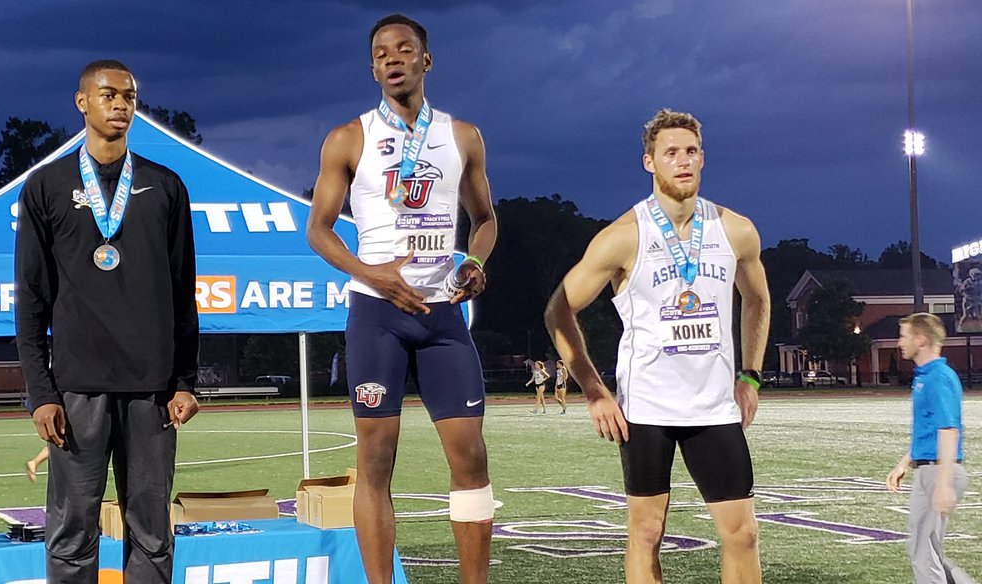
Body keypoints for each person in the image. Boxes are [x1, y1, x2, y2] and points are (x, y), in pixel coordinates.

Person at [306, 13, 498, 584]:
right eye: (382, 53)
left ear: (425, 60)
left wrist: (475, 262)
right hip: (376, 314)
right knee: (375, 463)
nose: (392, 59)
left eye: (404, 49)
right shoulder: (348, 138)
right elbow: (318, 229)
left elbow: (485, 220)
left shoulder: (462, 136)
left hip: (443, 316)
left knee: (471, 459)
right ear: (372, 68)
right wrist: (371, 272)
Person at [544, 109, 770, 584]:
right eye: (670, 153)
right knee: (647, 532)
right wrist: (594, 390)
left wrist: (750, 374)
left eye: (690, 152)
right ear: (649, 162)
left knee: (743, 534)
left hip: (714, 408)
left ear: (702, 158)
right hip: (646, 408)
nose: (682, 161)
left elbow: (759, 300)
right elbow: (558, 310)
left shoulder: (735, 230)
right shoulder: (624, 236)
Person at [15, 59, 200, 584]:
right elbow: (30, 298)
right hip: (76, 391)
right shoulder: (45, 186)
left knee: (151, 532)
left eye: (129, 96)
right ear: (82, 103)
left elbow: (183, 293)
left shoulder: (165, 186)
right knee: (73, 532)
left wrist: (185, 380)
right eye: (108, 95)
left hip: (152, 391)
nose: (120, 105)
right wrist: (40, 392)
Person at [885, 313, 975, 584]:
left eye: (904, 336)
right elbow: (929, 428)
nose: (900, 342)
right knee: (923, 548)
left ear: (921, 339)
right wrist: (905, 462)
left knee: (923, 551)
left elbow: (948, 430)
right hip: (929, 470)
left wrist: (945, 483)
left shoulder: (938, 377)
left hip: (939, 471)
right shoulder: (926, 376)